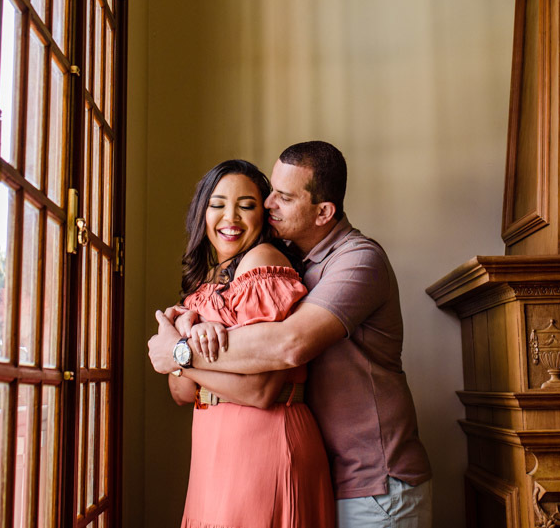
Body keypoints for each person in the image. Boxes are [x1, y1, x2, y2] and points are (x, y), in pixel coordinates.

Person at [150, 141, 433, 528]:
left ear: (324, 212)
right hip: (330, 470)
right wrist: (192, 325)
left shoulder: (357, 260)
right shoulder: (291, 261)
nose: (267, 206)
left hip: (374, 482)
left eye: (281, 198)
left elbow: (288, 345)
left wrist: (180, 351)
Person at [159, 158, 335, 528]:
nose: (230, 218)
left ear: (264, 215)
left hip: (263, 442)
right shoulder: (207, 283)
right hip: (215, 445)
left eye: (246, 206)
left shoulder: (261, 262)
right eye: (218, 204)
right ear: (202, 213)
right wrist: (188, 337)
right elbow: (179, 391)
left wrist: (179, 350)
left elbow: (259, 390)